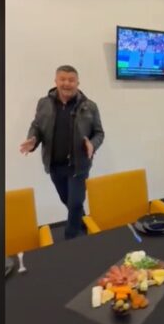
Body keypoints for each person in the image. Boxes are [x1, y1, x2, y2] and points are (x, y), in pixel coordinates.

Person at [20, 65, 105, 239]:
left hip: (78, 166)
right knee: (67, 200)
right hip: (55, 165)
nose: (67, 83)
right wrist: (33, 139)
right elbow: (37, 126)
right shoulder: (44, 103)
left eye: (71, 80)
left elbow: (99, 133)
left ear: (78, 83)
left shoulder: (90, 106)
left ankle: (70, 239)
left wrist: (92, 145)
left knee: (75, 204)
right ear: (56, 81)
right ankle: (84, 224)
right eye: (63, 79)